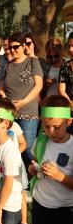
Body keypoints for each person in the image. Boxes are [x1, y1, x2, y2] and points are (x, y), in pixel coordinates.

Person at [0, 32, 43, 165]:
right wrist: (6, 100)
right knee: (9, 148)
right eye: (10, 47)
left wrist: (23, 102)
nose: (12, 50)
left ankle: (35, 177)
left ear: (24, 45)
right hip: (9, 114)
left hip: (28, 113)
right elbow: (1, 88)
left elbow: (39, 85)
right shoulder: (8, 65)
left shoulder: (32, 61)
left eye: (16, 46)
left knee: (27, 149)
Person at [28, 95, 73, 224]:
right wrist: (33, 170)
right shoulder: (41, 141)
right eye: (46, 127)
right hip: (40, 202)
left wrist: (59, 176)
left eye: (56, 127)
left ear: (68, 122)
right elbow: (36, 163)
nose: (51, 131)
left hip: (63, 208)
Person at [0, 99, 23, 224]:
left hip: (10, 205)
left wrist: (0, 206)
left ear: (5, 124)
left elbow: (8, 184)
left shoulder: (10, 150)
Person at [59, 32, 73, 103]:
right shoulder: (65, 66)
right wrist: (70, 104)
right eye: (69, 46)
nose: (70, 49)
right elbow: (61, 90)